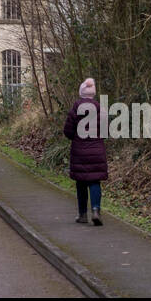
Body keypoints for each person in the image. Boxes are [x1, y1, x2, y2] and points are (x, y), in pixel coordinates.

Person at [63, 77, 107, 225]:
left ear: (81, 93)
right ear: (93, 93)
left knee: (81, 183)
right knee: (94, 181)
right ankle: (95, 210)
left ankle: (82, 214)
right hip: (97, 150)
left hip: (79, 150)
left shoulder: (76, 107)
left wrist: (76, 137)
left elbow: (68, 131)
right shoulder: (100, 108)